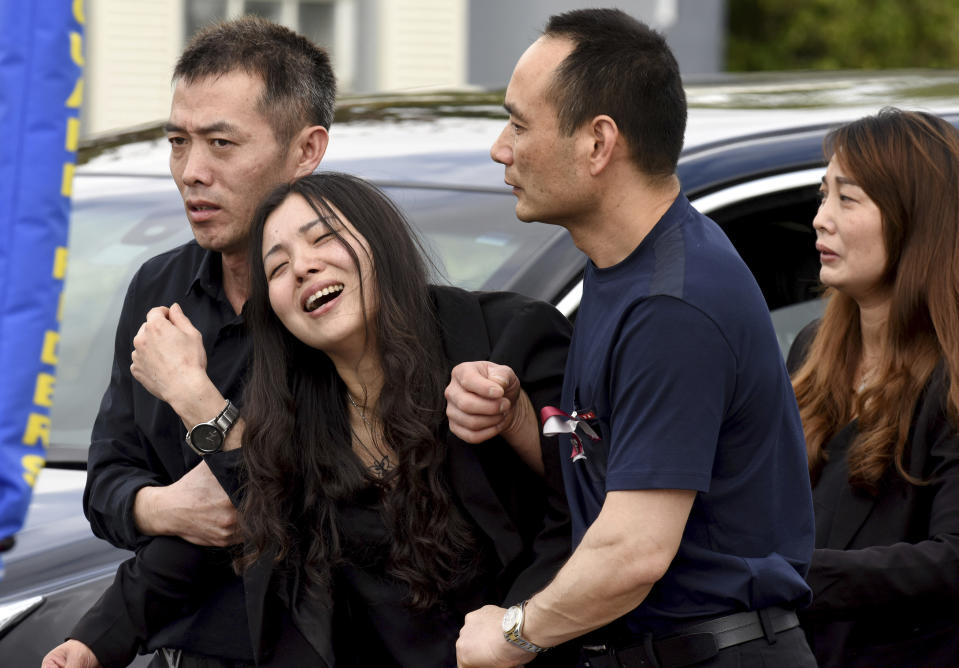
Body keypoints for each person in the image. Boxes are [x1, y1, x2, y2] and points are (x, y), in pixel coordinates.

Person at [44, 171, 575, 668]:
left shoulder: (506, 337)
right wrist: (92, 642)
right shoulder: (292, 410)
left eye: (323, 239)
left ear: (381, 241)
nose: (302, 266)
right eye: (277, 267)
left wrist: (519, 626)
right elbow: (220, 526)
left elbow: (588, 503)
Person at [450, 8, 817, 668]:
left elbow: (635, 550)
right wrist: (516, 423)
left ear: (597, 143)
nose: (499, 148)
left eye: (518, 123)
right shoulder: (624, 270)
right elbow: (618, 473)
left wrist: (513, 633)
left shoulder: (672, 304)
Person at [42, 16, 335, 668]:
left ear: (305, 149)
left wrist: (192, 394)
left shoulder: (342, 298)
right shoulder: (161, 286)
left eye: (222, 143)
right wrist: (160, 508)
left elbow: (285, 505)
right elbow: (108, 481)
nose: (191, 171)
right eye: (178, 141)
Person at [786, 108, 959, 667]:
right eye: (822, 195)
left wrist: (783, 573)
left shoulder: (951, 376)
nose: (820, 218)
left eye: (847, 198)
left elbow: (952, 560)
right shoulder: (813, 348)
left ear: (915, 219)